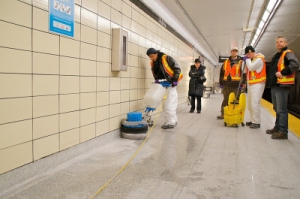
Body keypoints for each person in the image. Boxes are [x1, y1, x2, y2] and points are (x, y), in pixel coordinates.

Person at [266, 36, 300, 139]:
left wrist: (282, 73)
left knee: (281, 109)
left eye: (281, 42)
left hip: (282, 85)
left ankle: (283, 131)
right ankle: (277, 127)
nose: (279, 44)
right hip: (275, 84)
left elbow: (295, 64)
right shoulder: (278, 55)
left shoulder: (288, 53)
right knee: (276, 108)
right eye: (277, 42)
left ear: (285, 43)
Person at [146, 48, 183, 129]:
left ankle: (170, 122)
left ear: (156, 53)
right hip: (163, 85)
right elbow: (156, 74)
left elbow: (177, 68)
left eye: (152, 56)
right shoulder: (153, 63)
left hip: (170, 84)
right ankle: (173, 120)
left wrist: (175, 80)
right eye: (150, 57)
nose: (152, 58)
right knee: (169, 103)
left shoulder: (166, 58)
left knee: (168, 104)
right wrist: (157, 81)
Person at [217, 47, 244, 119]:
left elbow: (243, 73)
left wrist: (243, 83)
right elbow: (222, 73)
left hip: (236, 85)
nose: (234, 52)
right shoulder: (226, 62)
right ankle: (223, 114)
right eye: (233, 51)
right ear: (230, 52)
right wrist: (221, 83)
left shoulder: (241, 62)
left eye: (235, 51)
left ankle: (235, 114)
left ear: (237, 52)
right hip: (227, 84)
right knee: (225, 99)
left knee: (236, 100)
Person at [243, 46, 266, 129]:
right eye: (246, 54)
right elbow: (245, 71)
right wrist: (244, 62)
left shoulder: (259, 59)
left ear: (253, 52)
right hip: (251, 85)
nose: (248, 55)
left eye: (249, 53)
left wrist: (247, 60)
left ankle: (256, 122)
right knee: (249, 104)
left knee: (254, 103)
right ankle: (253, 120)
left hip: (258, 84)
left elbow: (251, 67)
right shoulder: (251, 60)